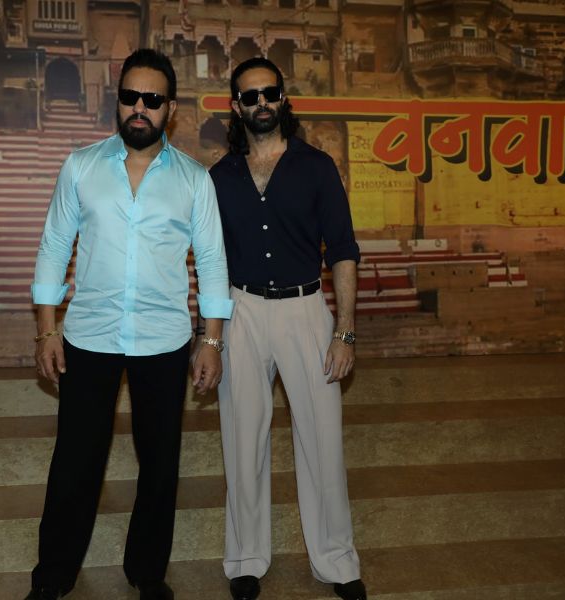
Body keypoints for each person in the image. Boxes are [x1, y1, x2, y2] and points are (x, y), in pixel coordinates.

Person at [26, 49, 233, 600]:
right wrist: (46, 329)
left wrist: (212, 340)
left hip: (164, 341)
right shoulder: (81, 166)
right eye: (130, 97)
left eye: (152, 99)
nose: (140, 108)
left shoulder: (194, 180)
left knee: (160, 465)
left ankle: (147, 573)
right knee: (75, 463)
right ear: (117, 101)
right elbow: (53, 248)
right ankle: (52, 578)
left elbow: (213, 263)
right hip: (88, 337)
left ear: (171, 109)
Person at [206, 57, 366, 600]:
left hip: (306, 311)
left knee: (323, 442)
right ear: (237, 106)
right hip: (241, 311)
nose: (261, 103)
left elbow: (342, 251)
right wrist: (210, 336)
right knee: (241, 439)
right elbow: (210, 261)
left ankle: (337, 562)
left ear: (283, 98)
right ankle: (245, 561)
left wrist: (344, 331)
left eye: (269, 93)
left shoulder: (317, 168)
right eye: (249, 96)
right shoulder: (219, 178)